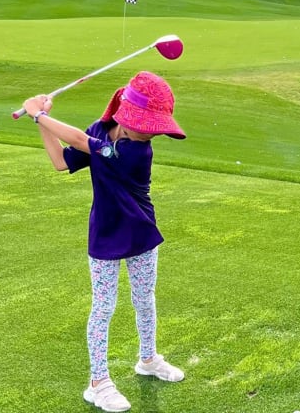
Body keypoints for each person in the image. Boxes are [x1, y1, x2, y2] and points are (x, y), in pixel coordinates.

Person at [22, 71, 188, 413]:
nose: (153, 131)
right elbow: (61, 161)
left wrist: (41, 113)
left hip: (141, 232)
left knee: (144, 299)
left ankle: (148, 359)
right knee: (104, 307)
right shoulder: (99, 131)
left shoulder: (137, 151)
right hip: (105, 234)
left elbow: (85, 144)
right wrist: (41, 120)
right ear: (126, 117)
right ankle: (98, 383)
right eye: (149, 123)